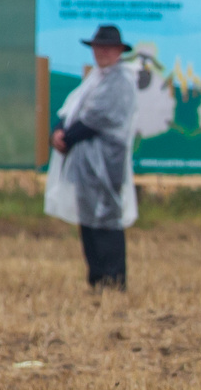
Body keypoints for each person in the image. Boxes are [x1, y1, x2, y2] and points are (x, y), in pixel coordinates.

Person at [47, 25, 139, 288]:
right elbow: (72, 111)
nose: (103, 52)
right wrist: (59, 131)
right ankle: (97, 277)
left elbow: (98, 117)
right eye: (99, 47)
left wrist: (66, 137)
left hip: (106, 163)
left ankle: (113, 278)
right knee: (89, 219)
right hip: (86, 164)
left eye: (108, 47)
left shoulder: (120, 80)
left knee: (107, 220)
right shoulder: (97, 77)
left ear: (120, 51)